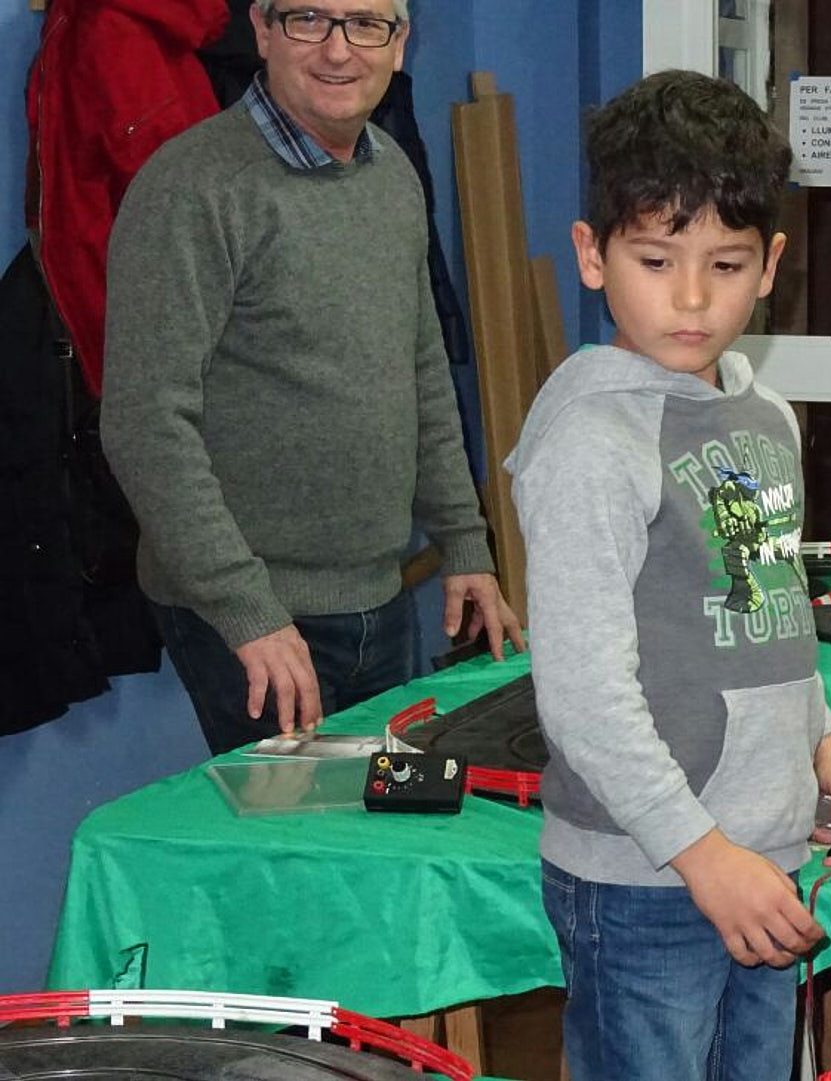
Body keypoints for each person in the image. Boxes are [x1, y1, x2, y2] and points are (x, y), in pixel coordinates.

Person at [503, 71, 831, 1081]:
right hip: (646, 878)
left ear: (771, 265)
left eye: (727, 263)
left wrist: (825, 738)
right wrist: (702, 856)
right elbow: (582, 697)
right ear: (593, 255)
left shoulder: (767, 419)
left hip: (770, 856)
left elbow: (774, 614)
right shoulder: (590, 439)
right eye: (657, 260)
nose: (694, 297)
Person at [100, 0, 521, 757]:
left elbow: (423, 371)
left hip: (381, 594)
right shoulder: (192, 188)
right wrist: (247, 611)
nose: (338, 50)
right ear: (263, 30)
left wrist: (464, 542)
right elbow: (144, 421)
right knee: (298, 828)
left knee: (379, 818)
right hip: (255, 612)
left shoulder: (392, 175)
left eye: (366, 24)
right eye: (308, 20)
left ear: (399, 44)